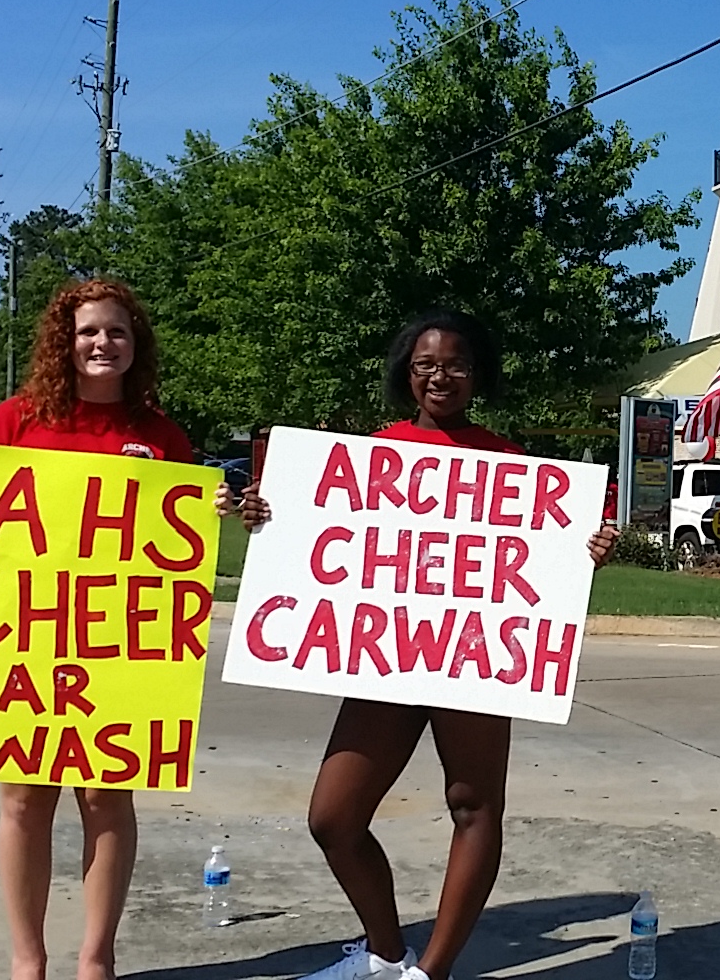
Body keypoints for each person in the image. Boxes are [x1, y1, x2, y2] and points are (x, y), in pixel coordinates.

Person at [220, 310, 618, 980]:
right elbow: (311, 527)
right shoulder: (375, 453)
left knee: (473, 804)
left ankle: (429, 972)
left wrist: (590, 548)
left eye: (456, 363)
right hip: (390, 658)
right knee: (333, 817)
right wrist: (265, 512)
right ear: (406, 375)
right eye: (426, 364)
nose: (441, 376)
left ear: (477, 374)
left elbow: (546, 555)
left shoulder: (508, 462)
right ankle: (382, 952)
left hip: (473, 658)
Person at [0, 279, 194, 980]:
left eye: (116, 332)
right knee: (23, 799)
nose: (102, 343)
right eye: (88, 332)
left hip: (118, 642)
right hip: (28, 639)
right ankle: (28, 960)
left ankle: (96, 957)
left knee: (107, 797)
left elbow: (185, 543)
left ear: (134, 344)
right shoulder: (13, 422)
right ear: (65, 341)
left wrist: (185, 497)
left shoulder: (159, 435)